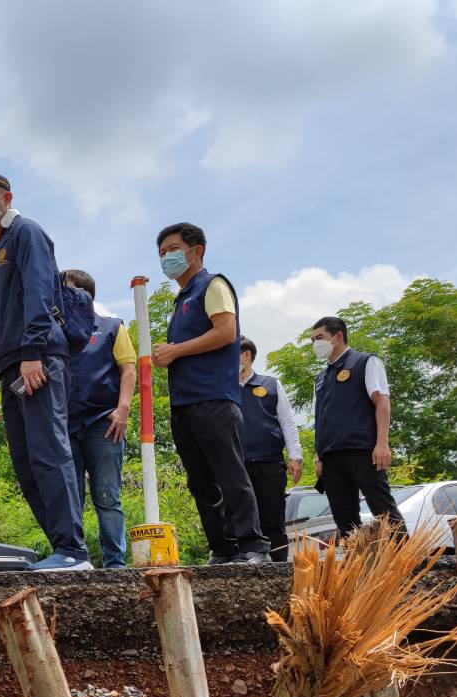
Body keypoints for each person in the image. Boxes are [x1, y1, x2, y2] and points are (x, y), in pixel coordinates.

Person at [0, 172, 90, 571]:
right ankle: (61, 548)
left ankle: (74, 550)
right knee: (27, 462)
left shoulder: (26, 233)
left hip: (38, 359)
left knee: (50, 452)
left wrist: (32, 352)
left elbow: (39, 292)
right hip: (10, 367)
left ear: (6, 198)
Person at [152, 222, 269, 563]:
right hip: (184, 403)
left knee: (230, 473)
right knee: (200, 481)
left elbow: (226, 332)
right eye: (162, 253)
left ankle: (253, 545)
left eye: (173, 250)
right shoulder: (182, 299)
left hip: (214, 399)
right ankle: (223, 547)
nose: (166, 258)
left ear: (197, 250)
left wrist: (175, 350)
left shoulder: (212, 285)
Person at [61, 269, 136, 568]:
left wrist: (123, 409)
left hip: (104, 422)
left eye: (65, 290)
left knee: (107, 495)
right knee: (71, 499)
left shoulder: (112, 327)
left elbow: (128, 369)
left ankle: (114, 563)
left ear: (84, 294)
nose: (60, 297)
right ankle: (74, 559)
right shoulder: (55, 332)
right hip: (65, 425)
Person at [310, 316, 401, 536]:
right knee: (345, 520)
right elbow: (320, 418)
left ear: (337, 336)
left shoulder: (365, 362)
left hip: (363, 451)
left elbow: (382, 402)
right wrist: (318, 455)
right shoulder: (321, 377)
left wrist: (382, 444)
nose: (315, 343)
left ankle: (405, 557)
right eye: (312, 340)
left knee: (384, 512)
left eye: (319, 337)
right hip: (331, 456)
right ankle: (357, 558)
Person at [237, 337, 304, 561]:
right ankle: (243, 565)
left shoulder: (271, 384)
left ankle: (278, 567)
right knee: (241, 519)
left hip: (270, 463)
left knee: (272, 521)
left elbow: (288, 422)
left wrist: (295, 456)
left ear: (246, 355)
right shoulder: (224, 388)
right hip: (237, 466)